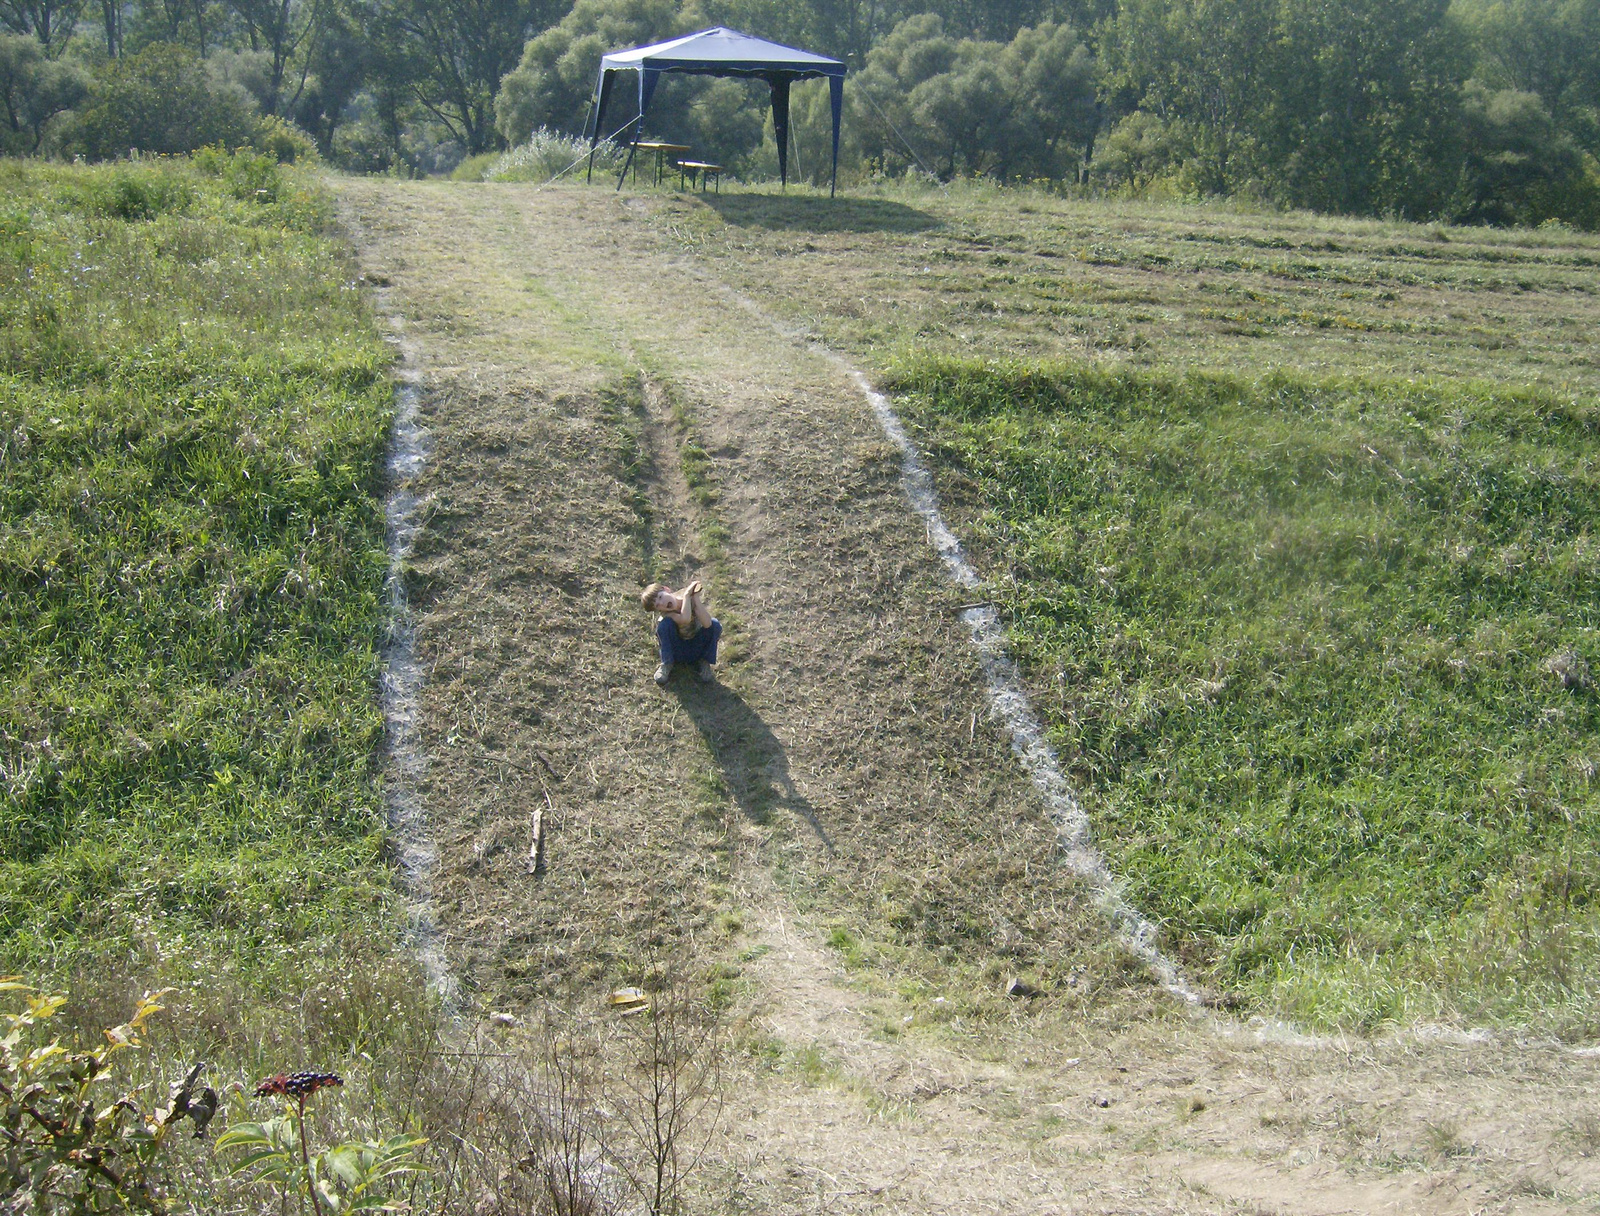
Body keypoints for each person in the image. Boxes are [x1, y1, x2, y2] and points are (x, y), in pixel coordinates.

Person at [640, 579, 721, 685]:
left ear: (666, 589)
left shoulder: (687, 597)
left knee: (715, 624)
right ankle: (667, 663)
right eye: (658, 605)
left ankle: (704, 661)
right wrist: (687, 596)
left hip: (697, 647)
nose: (662, 603)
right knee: (664, 625)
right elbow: (685, 619)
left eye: (660, 597)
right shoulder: (667, 614)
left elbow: (707, 624)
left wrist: (695, 598)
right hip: (678, 651)